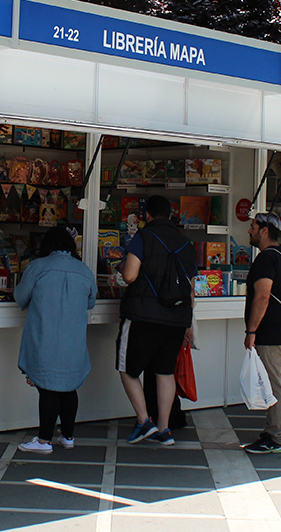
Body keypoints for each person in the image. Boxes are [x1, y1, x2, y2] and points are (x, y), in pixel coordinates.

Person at [116, 194, 196, 446]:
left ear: (147, 215)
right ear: (171, 215)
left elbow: (129, 275)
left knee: (127, 368)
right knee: (164, 372)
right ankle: (164, 428)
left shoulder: (143, 238)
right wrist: (189, 323)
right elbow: (191, 288)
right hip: (176, 317)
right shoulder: (187, 244)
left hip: (143, 314)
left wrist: (119, 269)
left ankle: (143, 421)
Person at [14, 227, 98, 454]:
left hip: (44, 337)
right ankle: (68, 436)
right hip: (73, 340)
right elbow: (91, 301)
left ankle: (43, 441)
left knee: (48, 388)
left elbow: (20, 296)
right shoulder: (84, 271)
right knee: (69, 388)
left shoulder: (37, 268)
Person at [242, 213, 281, 454]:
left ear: (265, 231)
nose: (249, 231)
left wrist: (251, 330)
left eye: (253, 226)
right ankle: (272, 431)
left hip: (271, 333)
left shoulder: (266, 259)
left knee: (275, 387)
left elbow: (262, 296)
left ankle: (275, 437)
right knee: (278, 384)